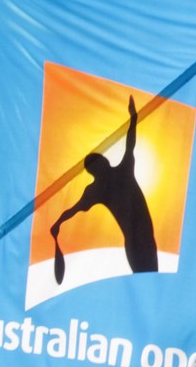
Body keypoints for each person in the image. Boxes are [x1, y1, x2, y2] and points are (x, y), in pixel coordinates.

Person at [50, 95, 159, 278]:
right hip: (137, 241)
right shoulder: (102, 185)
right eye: (99, 160)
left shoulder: (107, 182)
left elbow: (130, 143)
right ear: (97, 169)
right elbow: (73, 209)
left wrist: (133, 118)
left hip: (142, 239)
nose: (104, 160)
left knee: (150, 282)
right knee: (148, 281)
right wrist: (59, 223)